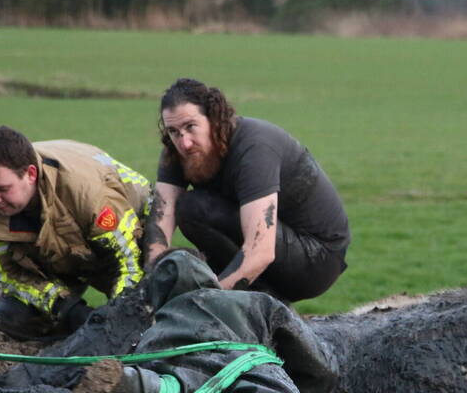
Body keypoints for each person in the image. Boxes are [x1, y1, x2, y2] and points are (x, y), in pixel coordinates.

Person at [15, 249, 340, 393]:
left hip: (177, 366)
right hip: (245, 361)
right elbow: (317, 364)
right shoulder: (256, 302)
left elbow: (145, 356)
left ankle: (128, 386)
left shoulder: (159, 326)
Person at [143, 78, 350, 302]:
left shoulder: (254, 148)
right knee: (189, 208)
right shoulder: (179, 152)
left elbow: (261, 250)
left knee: (197, 208)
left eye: (190, 127)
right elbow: (161, 222)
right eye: (174, 132)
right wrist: (152, 283)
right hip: (275, 247)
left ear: (213, 119)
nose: (184, 142)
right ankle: (245, 294)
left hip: (317, 260)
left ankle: (252, 298)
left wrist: (209, 303)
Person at [0, 126, 152, 340]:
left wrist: (117, 317)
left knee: (138, 315)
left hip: (123, 230)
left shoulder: (89, 195)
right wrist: (67, 307)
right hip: (52, 252)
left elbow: (129, 264)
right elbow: (7, 273)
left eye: (3, 189)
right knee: (13, 314)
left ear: (31, 174)